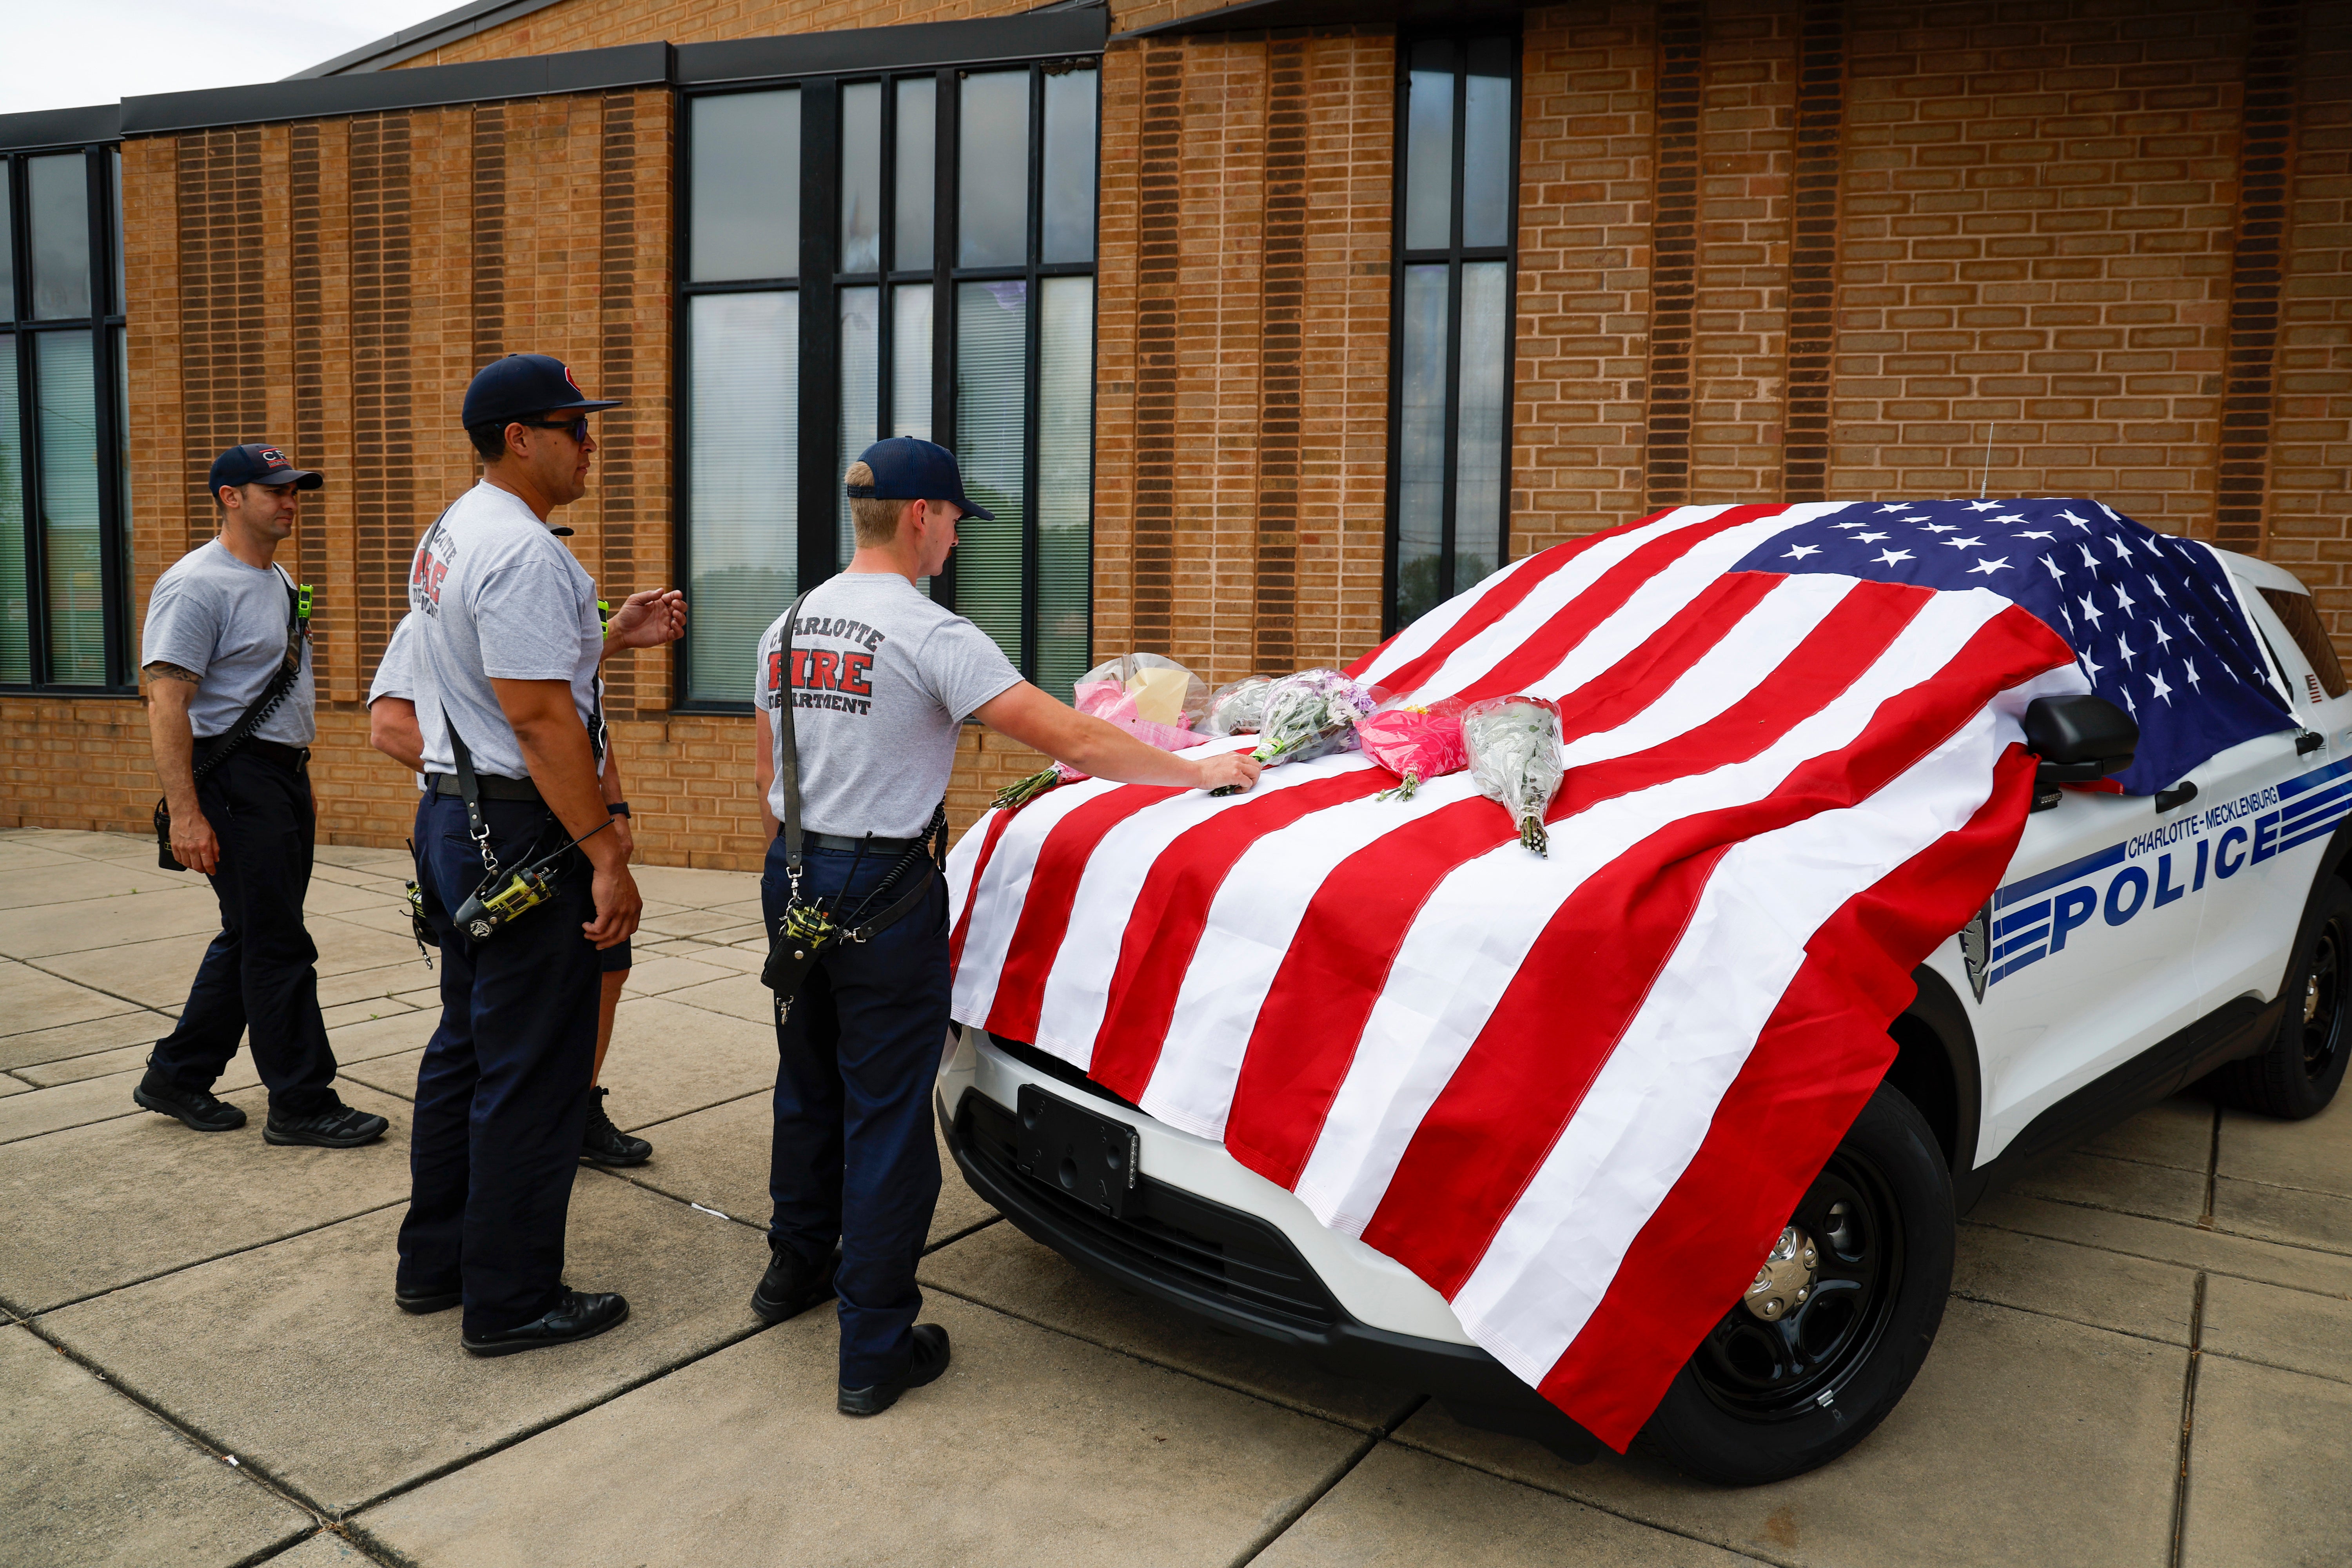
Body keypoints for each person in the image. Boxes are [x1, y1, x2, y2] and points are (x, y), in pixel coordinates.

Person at [751, 437, 1263, 1416]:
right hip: (882, 891)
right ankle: (873, 1349)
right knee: (889, 1112)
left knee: (808, 1082)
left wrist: (789, 876)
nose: (955, 537)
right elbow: (1068, 735)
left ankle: (793, 1272)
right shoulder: (929, 632)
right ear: (919, 517)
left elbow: (770, 771)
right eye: (952, 519)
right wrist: (1199, 771)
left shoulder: (790, 620)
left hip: (796, 876)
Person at [394, 353, 655, 1357]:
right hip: (521, 831)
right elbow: (541, 717)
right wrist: (605, 852)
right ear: (520, 438)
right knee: (532, 1074)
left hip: (456, 820)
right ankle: (511, 1299)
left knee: (464, 1051)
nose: (591, 444)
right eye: (574, 426)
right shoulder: (524, 550)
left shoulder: (452, 533)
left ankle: (438, 1265)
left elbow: (516, 670)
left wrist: (606, 636)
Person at [135, 444, 390, 1150]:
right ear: (229, 497)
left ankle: (178, 1075)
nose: (289, 500)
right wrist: (186, 812)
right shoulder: (196, 585)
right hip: (235, 780)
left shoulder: (276, 579)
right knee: (278, 943)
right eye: (273, 489)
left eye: (295, 490)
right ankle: (302, 1101)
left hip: (279, 777)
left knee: (253, 934)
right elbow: (166, 704)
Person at [369, 594, 682, 1168]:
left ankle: (575, 1108)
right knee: (500, 1018)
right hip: (507, 833)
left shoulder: (562, 630)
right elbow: (390, 729)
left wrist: (614, 811)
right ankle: (506, 1147)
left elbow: (589, 730)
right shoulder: (430, 623)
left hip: (573, 831)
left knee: (608, 966)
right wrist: (497, 784)